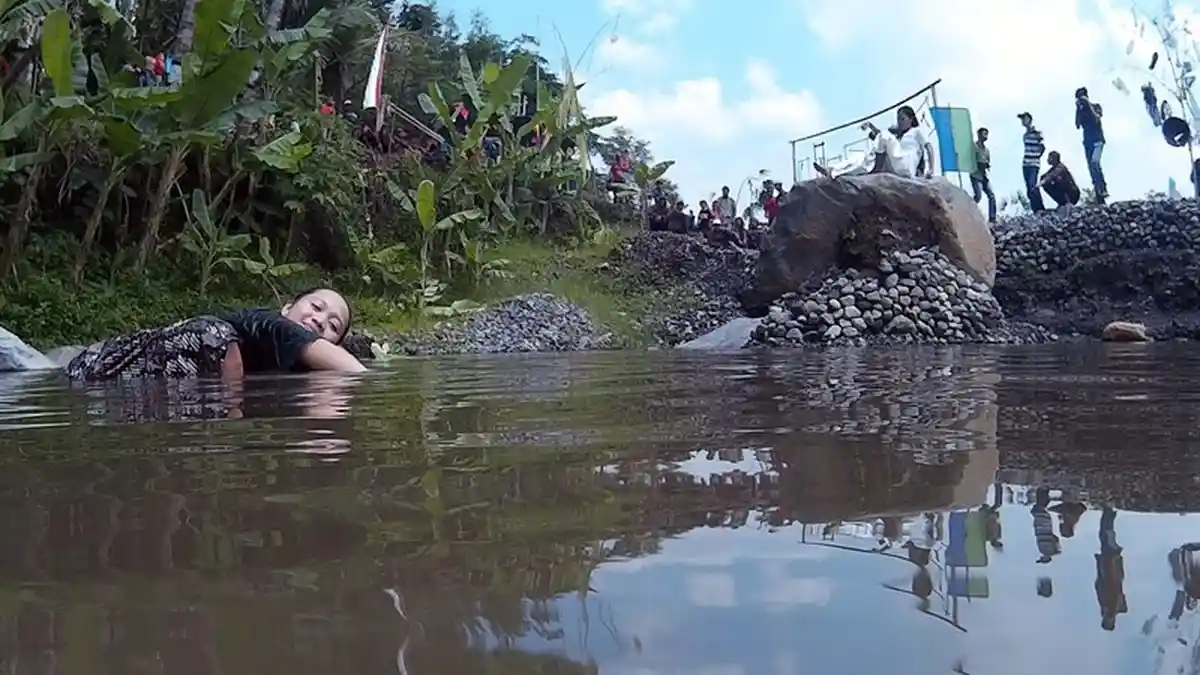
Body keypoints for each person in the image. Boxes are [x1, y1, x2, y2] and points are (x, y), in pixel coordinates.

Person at [65, 288, 367, 381]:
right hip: (100, 364)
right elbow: (351, 371)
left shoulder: (294, 369)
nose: (319, 320)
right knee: (215, 334)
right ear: (287, 307)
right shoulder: (263, 320)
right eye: (316, 306)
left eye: (333, 326)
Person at [815, 106, 933, 179]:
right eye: (898, 119)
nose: (900, 122)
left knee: (883, 137)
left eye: (902, 119)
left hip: (906, 165)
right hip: (895, 164)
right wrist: (870, 126)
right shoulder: (898, 137)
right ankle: (833, 170)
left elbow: (929, 148)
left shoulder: (917, 131)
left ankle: (875, 169)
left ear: (911, 119)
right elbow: (881, 140)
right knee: (859, 156)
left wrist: (930, 169)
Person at [1075, 87, 1108, 203]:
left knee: (1095, 163)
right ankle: (1099, 196)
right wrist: (1078, 109)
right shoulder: (1080, 111)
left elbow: (1097, 119)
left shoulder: (1096, 106)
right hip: (1087, 142)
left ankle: (1103, 188)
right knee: (1092, 168)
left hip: (1098, 140)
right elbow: (1077, 125)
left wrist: (1088, 105)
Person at [1018, 112, 1047, 213]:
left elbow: (1043, 146)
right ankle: (1035, 209)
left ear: (1029, 119)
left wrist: (1037, 156)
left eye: (1024, 119)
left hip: (1034, 163)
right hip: (1026, 163)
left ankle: (1040, 208)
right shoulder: (1025, 135)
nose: (1023, 121)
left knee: (1032, 185)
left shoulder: (1037, 132)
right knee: (1028, 188)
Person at [970, 127, 997, 224]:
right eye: (984, 134)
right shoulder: (974, 147)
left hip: (984, 175)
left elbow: (988, 162)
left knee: (992, 195)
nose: (985, 136)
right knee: (978, 196)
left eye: (987, 134)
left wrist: (986, 164)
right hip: (975, 175)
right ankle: (968, 211)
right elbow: (970, 159)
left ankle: (993, 218)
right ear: (979, 135)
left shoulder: (987, 150)